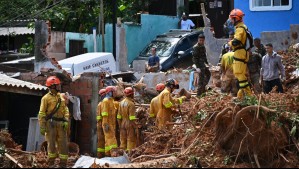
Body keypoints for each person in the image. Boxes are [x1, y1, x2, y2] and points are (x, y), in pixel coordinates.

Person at [38, 76, 69, 168]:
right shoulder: (45, 98)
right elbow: (42, 113)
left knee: (63, 144)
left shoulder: (61, 97)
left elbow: (66, 109)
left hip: (61, 124)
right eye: (57, 85)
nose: (59, 86)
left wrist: (66, 120)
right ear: (52, 86)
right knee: (51, 144)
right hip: (50, 124)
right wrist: (42, 126)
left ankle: (63, 164)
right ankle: (51, 164)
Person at [228, 8, 253, 99]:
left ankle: (248, 94)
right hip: (243, 52)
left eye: (232, 19)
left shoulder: (240, 29)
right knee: (240, 74)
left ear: (236, 18)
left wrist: (230, 43)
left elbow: (236, 42)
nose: (231, 21)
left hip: (240, 52)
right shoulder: (243, 27)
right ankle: (241, 95)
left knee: (239, 73)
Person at [117, 87, 137, 151]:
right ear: (131, 94)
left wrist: (120, 125)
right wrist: (135, 127)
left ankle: (122, 154)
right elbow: (132, 118)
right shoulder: (131, 104)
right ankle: (129, 154)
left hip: (122, 123)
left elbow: (119, 117)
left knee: (123, 140)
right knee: (130, 140)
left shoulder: (121, 103)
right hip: (129, 124)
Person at [101, 86, 118, 156]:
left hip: (111, 124)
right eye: (114, 91)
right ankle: (114, 155)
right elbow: (104, 114)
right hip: (108, 124)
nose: (115, 93)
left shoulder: (111, 101)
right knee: (112, 140)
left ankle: (107, 155)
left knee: (108, 141)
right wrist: (105, 124)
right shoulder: (105, 101)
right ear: (110, 92)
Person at [96, 88, 107, 158]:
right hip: (102, 124)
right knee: (103, 140)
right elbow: (102, 116)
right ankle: (102, 156)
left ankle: (100, 156)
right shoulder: (103, 104)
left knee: (101, 141)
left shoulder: (100, 104)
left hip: (100, 124)